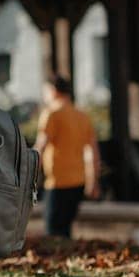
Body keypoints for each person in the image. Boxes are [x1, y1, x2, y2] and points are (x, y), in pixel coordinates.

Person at [34, 76, 102, 239]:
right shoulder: (82, 116)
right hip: (78, 181)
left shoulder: (51, 114)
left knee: (53, 230)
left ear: (53, 91)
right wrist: (93, 181)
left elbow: (41, 146)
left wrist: (30, 173)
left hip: (57, 181)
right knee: (66, 228)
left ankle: (61, 262)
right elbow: (92, 151)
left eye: (45, 92)